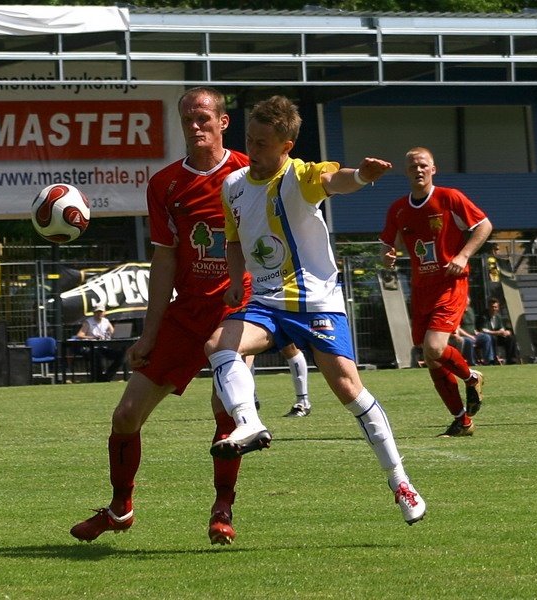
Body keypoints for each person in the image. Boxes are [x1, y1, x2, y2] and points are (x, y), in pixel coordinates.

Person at [204, 95, 426, 525]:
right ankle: (248, 423)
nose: (253, 149)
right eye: (250, 139)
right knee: (218, 343)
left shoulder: (298, 174)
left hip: (315, 302)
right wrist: (234, 281)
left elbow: (334, 180)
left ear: (286, 146)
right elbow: (233, 240)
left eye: (264, 143)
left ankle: (399, 480)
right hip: (267, 301)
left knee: (347, 388)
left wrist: (361, 175)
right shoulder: (231, 186)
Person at [70, 87, 253, 546]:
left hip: (238, 308)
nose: (195, 125)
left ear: (223, 122)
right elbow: (165, 261)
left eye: (203, 117)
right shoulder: (165, 183)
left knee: (226, 408)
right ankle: (120, 509)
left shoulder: (251, 173)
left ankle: (222, 507)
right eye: (187, 118)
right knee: (126, 415)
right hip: (186, 312)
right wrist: (148, 335)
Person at [380, 147, 492, 438]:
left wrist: (463, 255)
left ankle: (471, 377)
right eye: (413, 166)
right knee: (429, 357)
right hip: (421, 288)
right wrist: (388, 255)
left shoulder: (449, 197)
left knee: (434, 348)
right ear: (406, 172)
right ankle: (462, 421)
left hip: (450, 283)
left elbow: (484, 225)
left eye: (423, 165)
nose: (418, 170)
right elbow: (387, 245)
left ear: (433, 169)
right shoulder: (398, 209)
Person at [73, 302, 127, 382]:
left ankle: (107, 377)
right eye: (97, 312)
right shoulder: (88, 322)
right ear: (93, 313)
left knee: (122, 355)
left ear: (104, 313)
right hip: (91, 348)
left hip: (104, 348)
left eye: (101, 312)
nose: (99, 314)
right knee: (98, 357)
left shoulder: (106, 321)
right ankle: (99, 379)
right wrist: (93, 337)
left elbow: (113, 334)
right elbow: (79, 335)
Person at [450, 295, 494, 366]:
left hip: (473, 334)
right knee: (469, 341)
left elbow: (472, 324)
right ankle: (472, 362)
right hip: (463, 336)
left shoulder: (470, 310)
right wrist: (469, 336)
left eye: (468, 303)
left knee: (486, 337)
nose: (467, 304)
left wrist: (476, 331)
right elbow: (458, 328)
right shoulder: (458, 312)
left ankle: (488, 360)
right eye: (465, 302)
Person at [478, 297, 518, 365]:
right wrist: (497, 333)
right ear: (489, 307)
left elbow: (501, 327)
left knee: (510, 338)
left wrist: (505, 332)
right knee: (492, 338)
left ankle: (511, 359)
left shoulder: (498, 317)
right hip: (489, 336)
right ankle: (494, 359)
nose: (494, 309)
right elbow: (484, 330)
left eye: (495, 307)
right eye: (492, 307)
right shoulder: (483, 316)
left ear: (498, 308)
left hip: (498, 336)